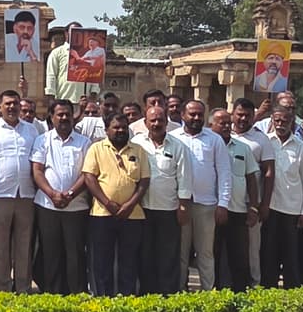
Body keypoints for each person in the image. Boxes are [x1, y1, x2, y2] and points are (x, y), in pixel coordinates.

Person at [81, 114, 150, 296]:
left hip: (132, 214)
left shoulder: (138, 150)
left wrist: (129, 205)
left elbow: (144, 181)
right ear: (107, 130)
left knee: (129, 260)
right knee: (102, 260)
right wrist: (107, 203)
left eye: (124, 127)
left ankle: (127, 297)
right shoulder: (96, 149)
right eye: (116, 127)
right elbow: (89, 177)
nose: (120, 131)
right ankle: (104, 298)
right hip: (102, 214)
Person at [29, 99, 90, 295]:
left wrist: (70, 194)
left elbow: (87, 174)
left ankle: (76, 293)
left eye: (67, 114)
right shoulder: (42, 140)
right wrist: (52, 194)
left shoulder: (84, 142)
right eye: (60, 114)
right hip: (47, 206)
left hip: (77, 206)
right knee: (50, 251)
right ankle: (51, 293)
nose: (64, 118)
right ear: (51, 117)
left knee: (75, 252)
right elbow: (37, 171)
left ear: (73, 117)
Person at [170, 100, 231, 290]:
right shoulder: (172, 138)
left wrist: (223, 203)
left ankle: (207, 294)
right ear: (183, 115)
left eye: (199, 114)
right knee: (180, 252)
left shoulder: (214, 139)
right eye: (192, 114)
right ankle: (180, 292)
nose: (196, 118)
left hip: (206, 205)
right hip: (180, 204)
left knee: (205, 253)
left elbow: (224, 172)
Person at [0, 90, 39, 293]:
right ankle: (2, 288)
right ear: (0, 107)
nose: (11, 107)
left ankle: (23, 287)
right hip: (0, 194)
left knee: (24, 244)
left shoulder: (31, 130)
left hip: (26, 195)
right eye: (7, 103)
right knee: (0, 245)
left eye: (15, 103)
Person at [132, 105, 190, 295]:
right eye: (153, 120)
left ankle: (168, 294)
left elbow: (184, 178)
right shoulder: (136, 143)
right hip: (142, 209)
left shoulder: (178, 146)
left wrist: (183, 206)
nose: (157, 124)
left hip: (169, 209)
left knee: (168, 255)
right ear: (145, 122)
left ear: (166, 122)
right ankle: (147, 294)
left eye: (160, 120)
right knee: (145, 254)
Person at [262, 106, 303, 288]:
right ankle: (268, 289)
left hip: (292, 208)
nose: (280, 124)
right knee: (269, 252)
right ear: (272, 121)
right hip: (270, 207)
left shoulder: (301, 147)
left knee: (291, 254)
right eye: (277, 120)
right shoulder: (265, 142)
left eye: (284, 121)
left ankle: (292, 291)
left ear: (292, 122)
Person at [211, 108, 259, 292]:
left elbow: (251, 178)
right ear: (211, 125)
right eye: (221, 123)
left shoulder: (242, 147)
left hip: (238, 210)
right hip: (212, 209)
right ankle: (216, 290)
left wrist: (253, 207)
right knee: (214, 252)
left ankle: (239, 292)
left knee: (238, 254)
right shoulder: (207, 147)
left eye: (228, 123)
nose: (226, 126)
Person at [229, 98, 273, 288]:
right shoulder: (222, 134)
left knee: (252, 246)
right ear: (233, 114)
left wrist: (264, 204)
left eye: (247, 115)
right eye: (240, 114)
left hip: (251, 202)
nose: (243, 119)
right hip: (226, 201)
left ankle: (254, 284)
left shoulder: (261, 139)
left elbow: (269, 172)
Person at [44, 22, 88, 104]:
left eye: (80, 32)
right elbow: (51, 76)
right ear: (66, 34)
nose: (77, 35)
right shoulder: (57, 53)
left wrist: (93, 94)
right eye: (74, 31)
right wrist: (51, 99)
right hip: (63, 100)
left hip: (84, 102)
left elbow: (94, 76)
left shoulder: (88, 53)